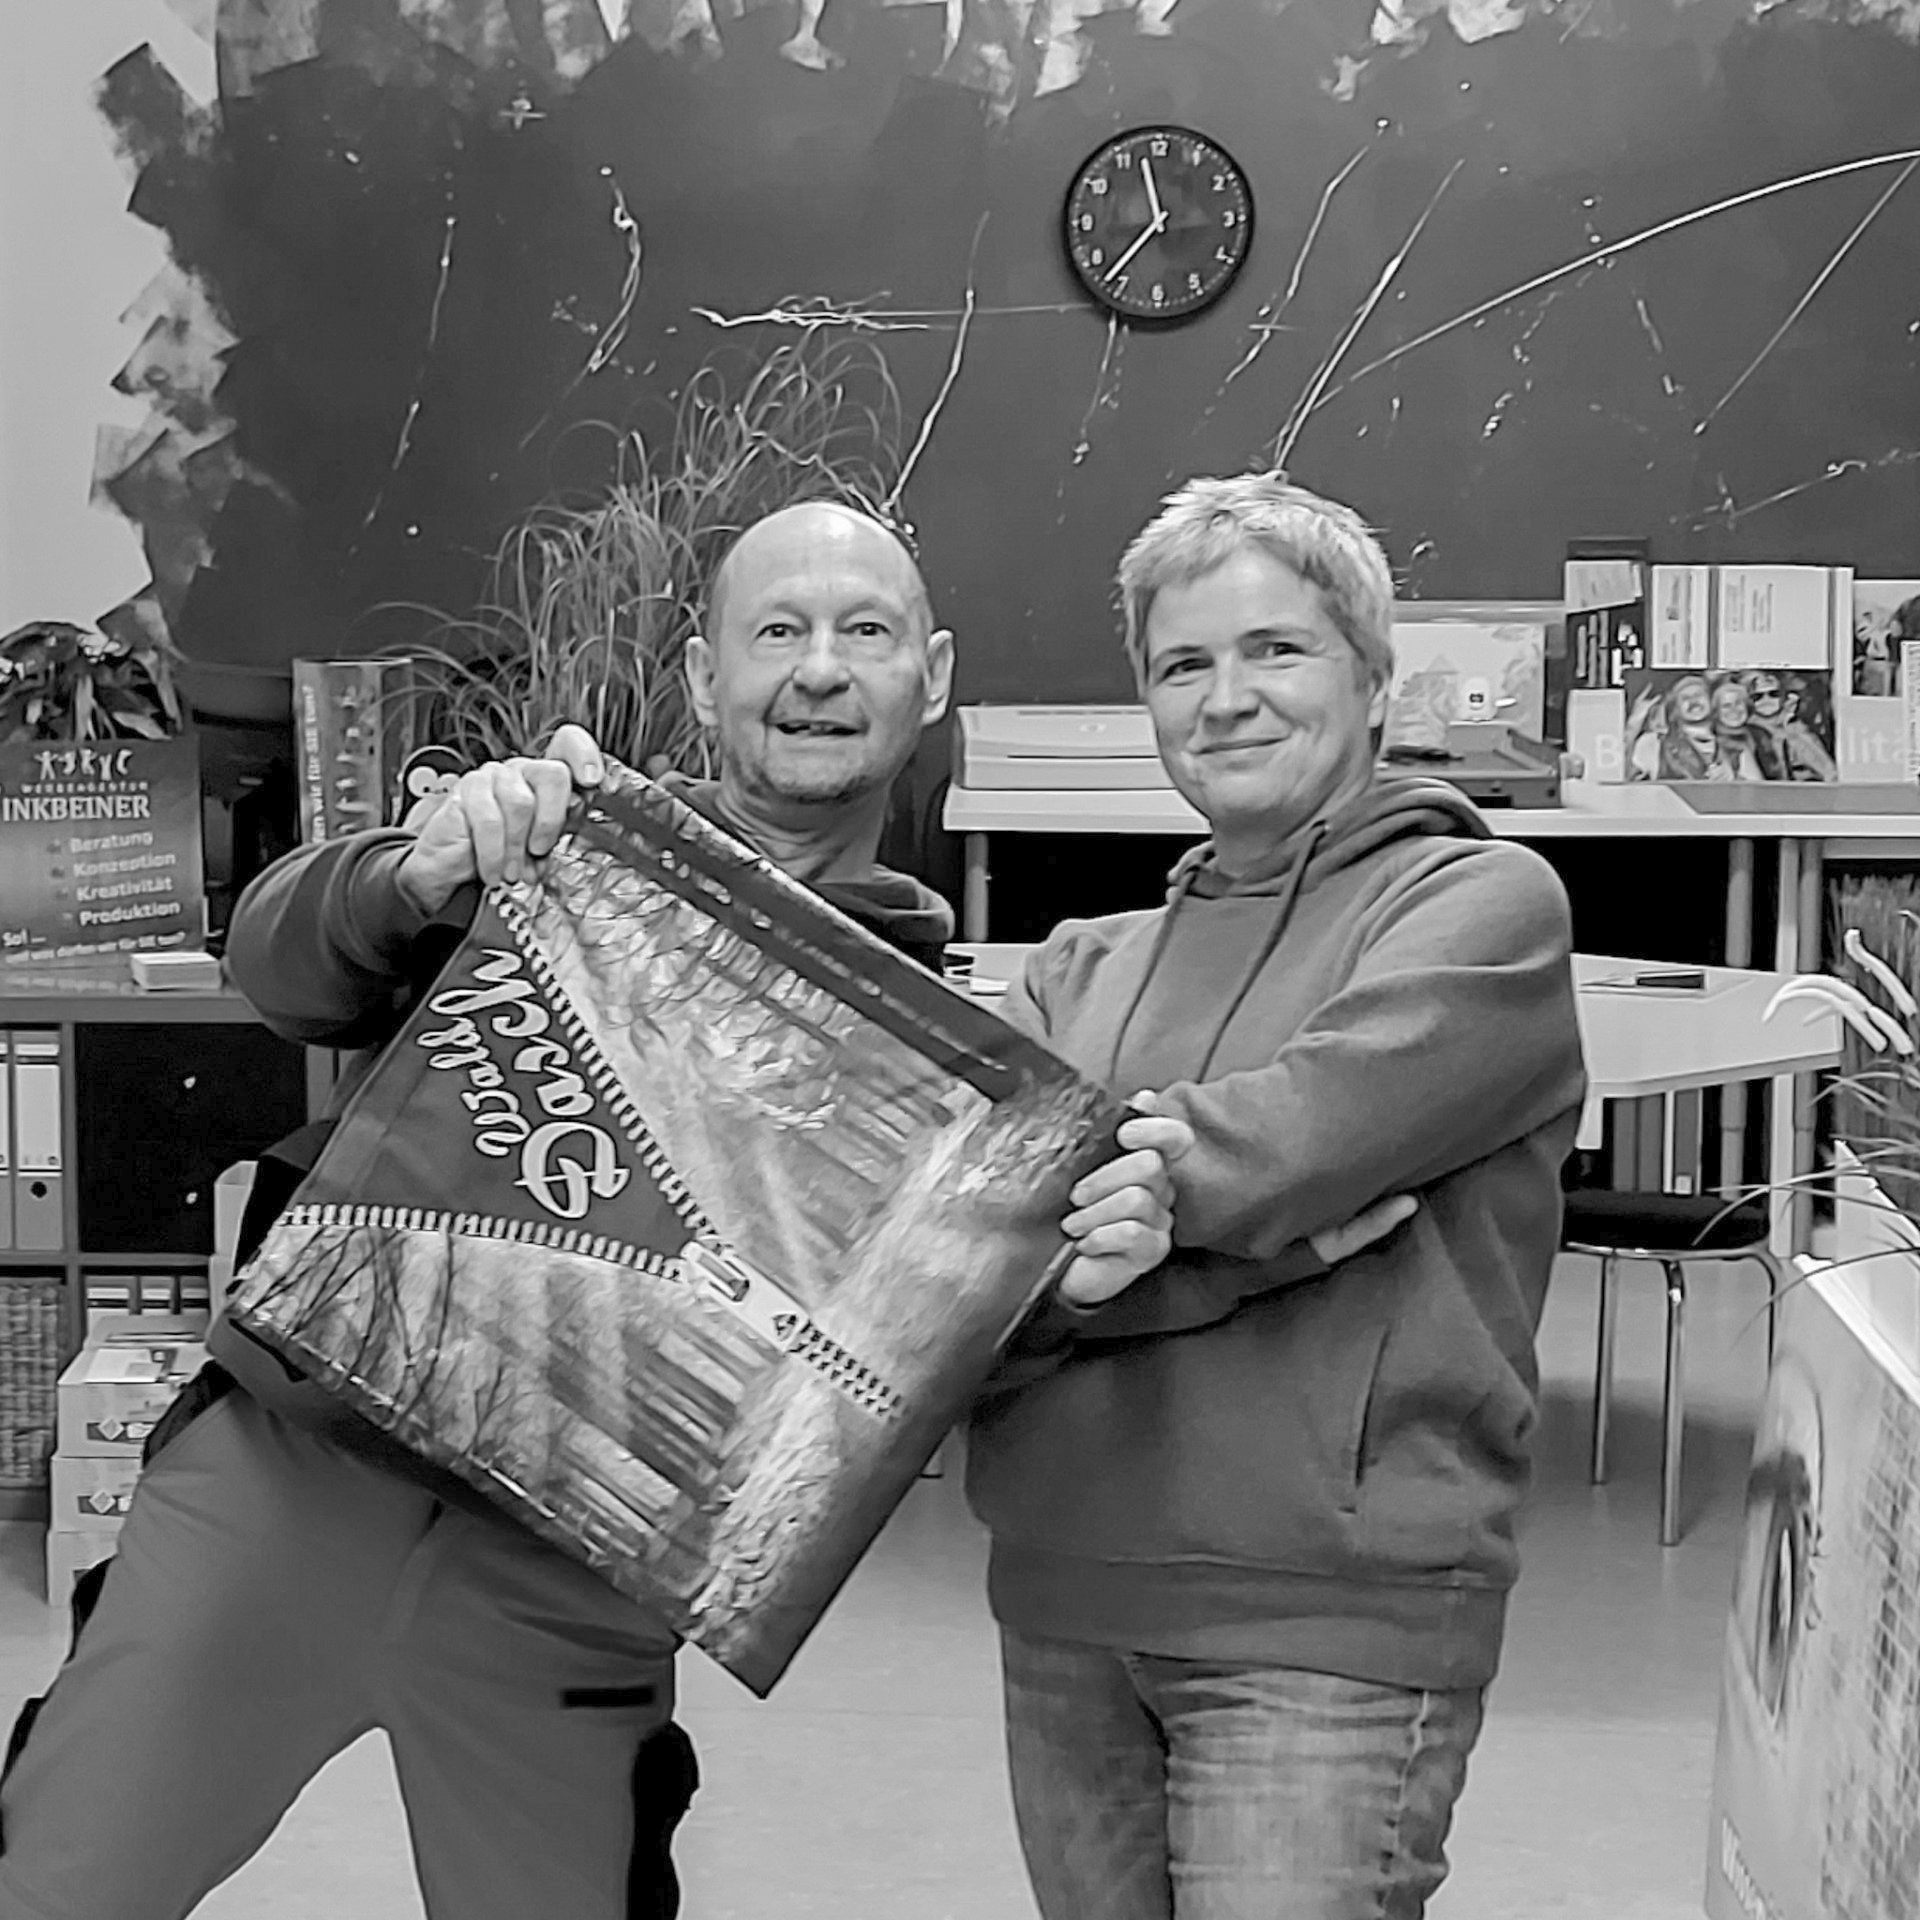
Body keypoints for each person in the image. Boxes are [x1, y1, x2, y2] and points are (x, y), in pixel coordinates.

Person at [0, 499, 1401, 1920]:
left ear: (932, 678)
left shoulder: (961, 1057)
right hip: (279, 1491)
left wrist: (1106, 1278)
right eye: (778, 630)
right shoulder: (556, 835)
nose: (819, 669)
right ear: (702, 673)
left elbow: (933, 1353)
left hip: (575, 1582)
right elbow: (279, 964)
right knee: (59, 1882)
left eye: (865, 632)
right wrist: (409, 870)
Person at [965, 474, 1589, 1920]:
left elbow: (1299, 1133)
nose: (1227, 698)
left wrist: (1088, 1239)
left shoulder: (1480, 912)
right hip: (1061, 1604)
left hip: (1330, 1631)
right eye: (1183, 664)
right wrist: (1266, 1251)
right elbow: (957, 1259)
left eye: (1276, 650)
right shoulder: (1075, 968)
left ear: (1374, 679)